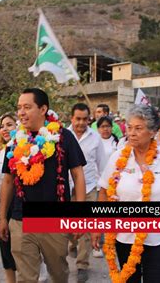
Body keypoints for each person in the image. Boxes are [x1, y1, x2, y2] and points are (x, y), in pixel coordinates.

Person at [93, 105, 160, 283]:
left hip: (159, 238)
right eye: (129, 127)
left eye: (138, 128)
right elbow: (104, 191)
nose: (131, 133)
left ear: (153, 131)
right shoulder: (118, 157)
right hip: (125, 237)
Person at [0, 88, 87, 283]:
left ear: (43, 109)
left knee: (58, 274)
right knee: (26, 278)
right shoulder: (15, 141)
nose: (21, 112)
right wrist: (2, 217)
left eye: (27, 107)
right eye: (19, 107)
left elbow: (78, 175)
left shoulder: (63, 137)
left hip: (53, 217)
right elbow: (7, 181)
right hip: (21, 217)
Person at [67, 103, 107, 281]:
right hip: (67, 189)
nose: (81, 123)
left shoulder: (95, 138)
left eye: (85, 119)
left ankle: (82, 265)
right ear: (71, 118)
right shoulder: (62, 136)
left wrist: (102, 189)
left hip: (90, 188)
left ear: (89, 119)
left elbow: (102, 165)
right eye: (78, 119)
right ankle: (72, 242)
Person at [0, 113, 18, 283]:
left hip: (20, 201)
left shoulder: (24, 147)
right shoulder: (0, 151)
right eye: (2, 126)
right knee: (6, 249)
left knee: (24, 249)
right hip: (4, 203)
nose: (5, 129)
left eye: (9, 125)